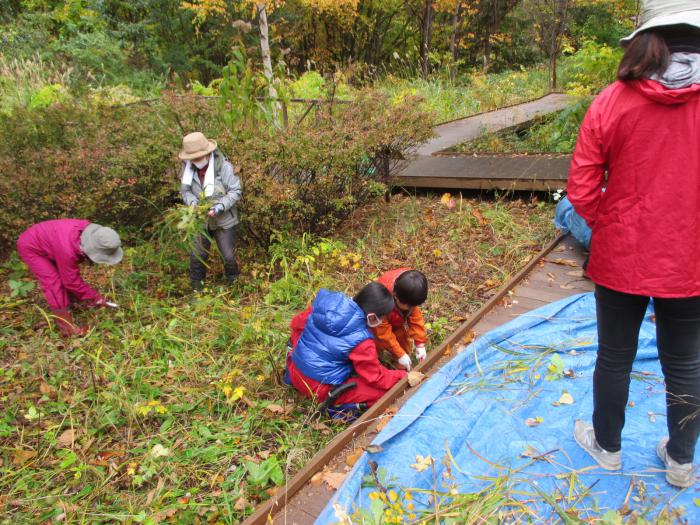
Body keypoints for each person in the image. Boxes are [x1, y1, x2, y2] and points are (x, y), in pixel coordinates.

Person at [568, 0, 700, 488]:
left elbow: (580, 190)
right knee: (686, 360)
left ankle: (607, 447)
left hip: (621, 257)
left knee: (615, 355)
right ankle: (682, 461)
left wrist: (616, 223)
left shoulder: (612, 101)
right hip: (691, 260)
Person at [285, 282, 407, 411]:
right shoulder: (361, 340)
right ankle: (337, 409)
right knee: (383, 395)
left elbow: (296, 324)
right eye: (383, 318)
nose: (383, 322)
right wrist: (402, 376)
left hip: (293, 368)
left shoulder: (327, 302)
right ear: (372, 317)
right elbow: (375, 377)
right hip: (318, 387)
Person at [17, 219, 123, 337]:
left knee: (64, 274)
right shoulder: (68, 250)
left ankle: (73, 303)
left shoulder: (95, 235)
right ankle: (67, 328)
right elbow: (71, 281)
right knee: (53, 282)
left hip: (52, 242)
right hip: (31, 246)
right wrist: (95, 297)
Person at [179, 131, 242, 291]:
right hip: (200, 220)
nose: (196, 161)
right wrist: (193, 203)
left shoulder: (224, 167)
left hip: (224, 219)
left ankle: (234, 286)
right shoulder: (187, 169)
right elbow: (185, 191)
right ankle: (197, 290)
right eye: (193, 158)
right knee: (197, 255)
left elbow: (235, 191)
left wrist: (219, 206)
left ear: (208, 153)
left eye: (199, 157)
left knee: (228, 256)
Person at [373, 268, 429, 371]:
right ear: (396, 296)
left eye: (413, 305)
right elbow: (383, 332)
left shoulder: (410, 287)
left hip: (396, 320)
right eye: (409, 306)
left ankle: (403, 367)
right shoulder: (380, 299)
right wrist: (400, 354)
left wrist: (420, 343)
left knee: (401, 338)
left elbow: (415, 318)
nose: (411, 308)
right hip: (375, 325)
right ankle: (374, 365)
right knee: (374, 344)